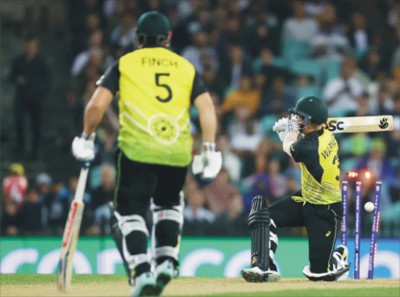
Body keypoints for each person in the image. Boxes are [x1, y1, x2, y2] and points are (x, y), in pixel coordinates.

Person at [71, 11, 221, 297]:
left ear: (137, 38)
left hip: (136, 149)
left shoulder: (124, 64)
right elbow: (207, 108)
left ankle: (141, 272)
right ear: (169, 38)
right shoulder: (185, 66)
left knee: (130, 212)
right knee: (168, 204)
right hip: (176, 150)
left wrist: (86, 137)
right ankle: (166, 261)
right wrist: (209, 149)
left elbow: (95, 106)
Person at [241, 96, 349, 282]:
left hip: (326, 209)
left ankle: (337, 258)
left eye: (299, 118)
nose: (296, 120)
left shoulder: (310, 147)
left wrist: (290, 133)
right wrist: (294, 133)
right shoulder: (325, 134)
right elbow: (300, 145)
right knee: (265, 217)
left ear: (309, 120)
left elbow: (290, 147)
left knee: (319, 274)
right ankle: (264, 266)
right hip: (306, 198)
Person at [9, 33, 50, 159]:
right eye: (28, 45)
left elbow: (47, 79)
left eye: (33, 45)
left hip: (36, 97)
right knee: (19, 121)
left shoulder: (41, 61)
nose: (30, 47)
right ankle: (20, 147)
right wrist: (17, 79)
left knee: (36, 125)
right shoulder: (19, 60)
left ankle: (35, 152)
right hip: (22, 97)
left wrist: (41, 91)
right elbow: (10, 75)